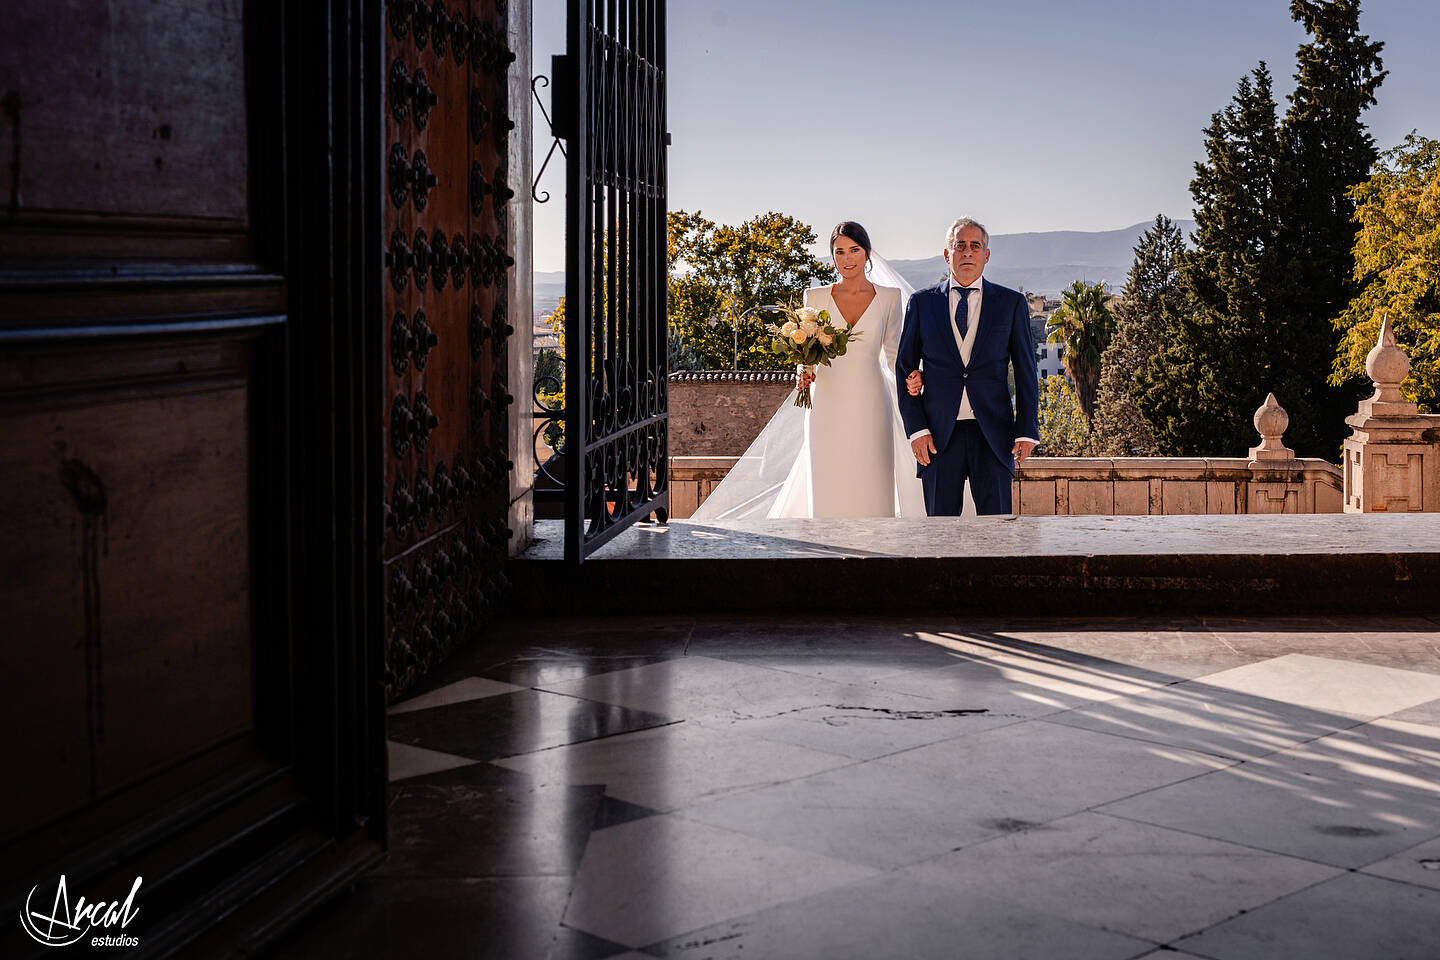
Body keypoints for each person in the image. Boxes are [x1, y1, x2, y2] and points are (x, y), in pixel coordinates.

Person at [689, 221, 925, 520]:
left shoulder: (889, 297)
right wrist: (803, 369)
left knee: (872, 479)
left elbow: (893, 355)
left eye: (854, 250)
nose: (847, 258)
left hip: (872, 403)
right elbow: (806, 355)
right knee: (829, 480)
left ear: (867, 253)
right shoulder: (815, 298)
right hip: (826, 403)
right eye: (839, 252)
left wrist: (913, 377)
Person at [896, 218, 1039, 516]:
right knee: (940, 532)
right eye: (960, 245)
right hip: (936, 436)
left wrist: (1026, 430)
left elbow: (1026, 371)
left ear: (986, 255)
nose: (967, 252)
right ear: (947, 254)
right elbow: (904, 368)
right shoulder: (922, 303)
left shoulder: (1010, 303)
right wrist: (917, 429)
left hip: (993, 435)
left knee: (997, 530)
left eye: (975, 246)